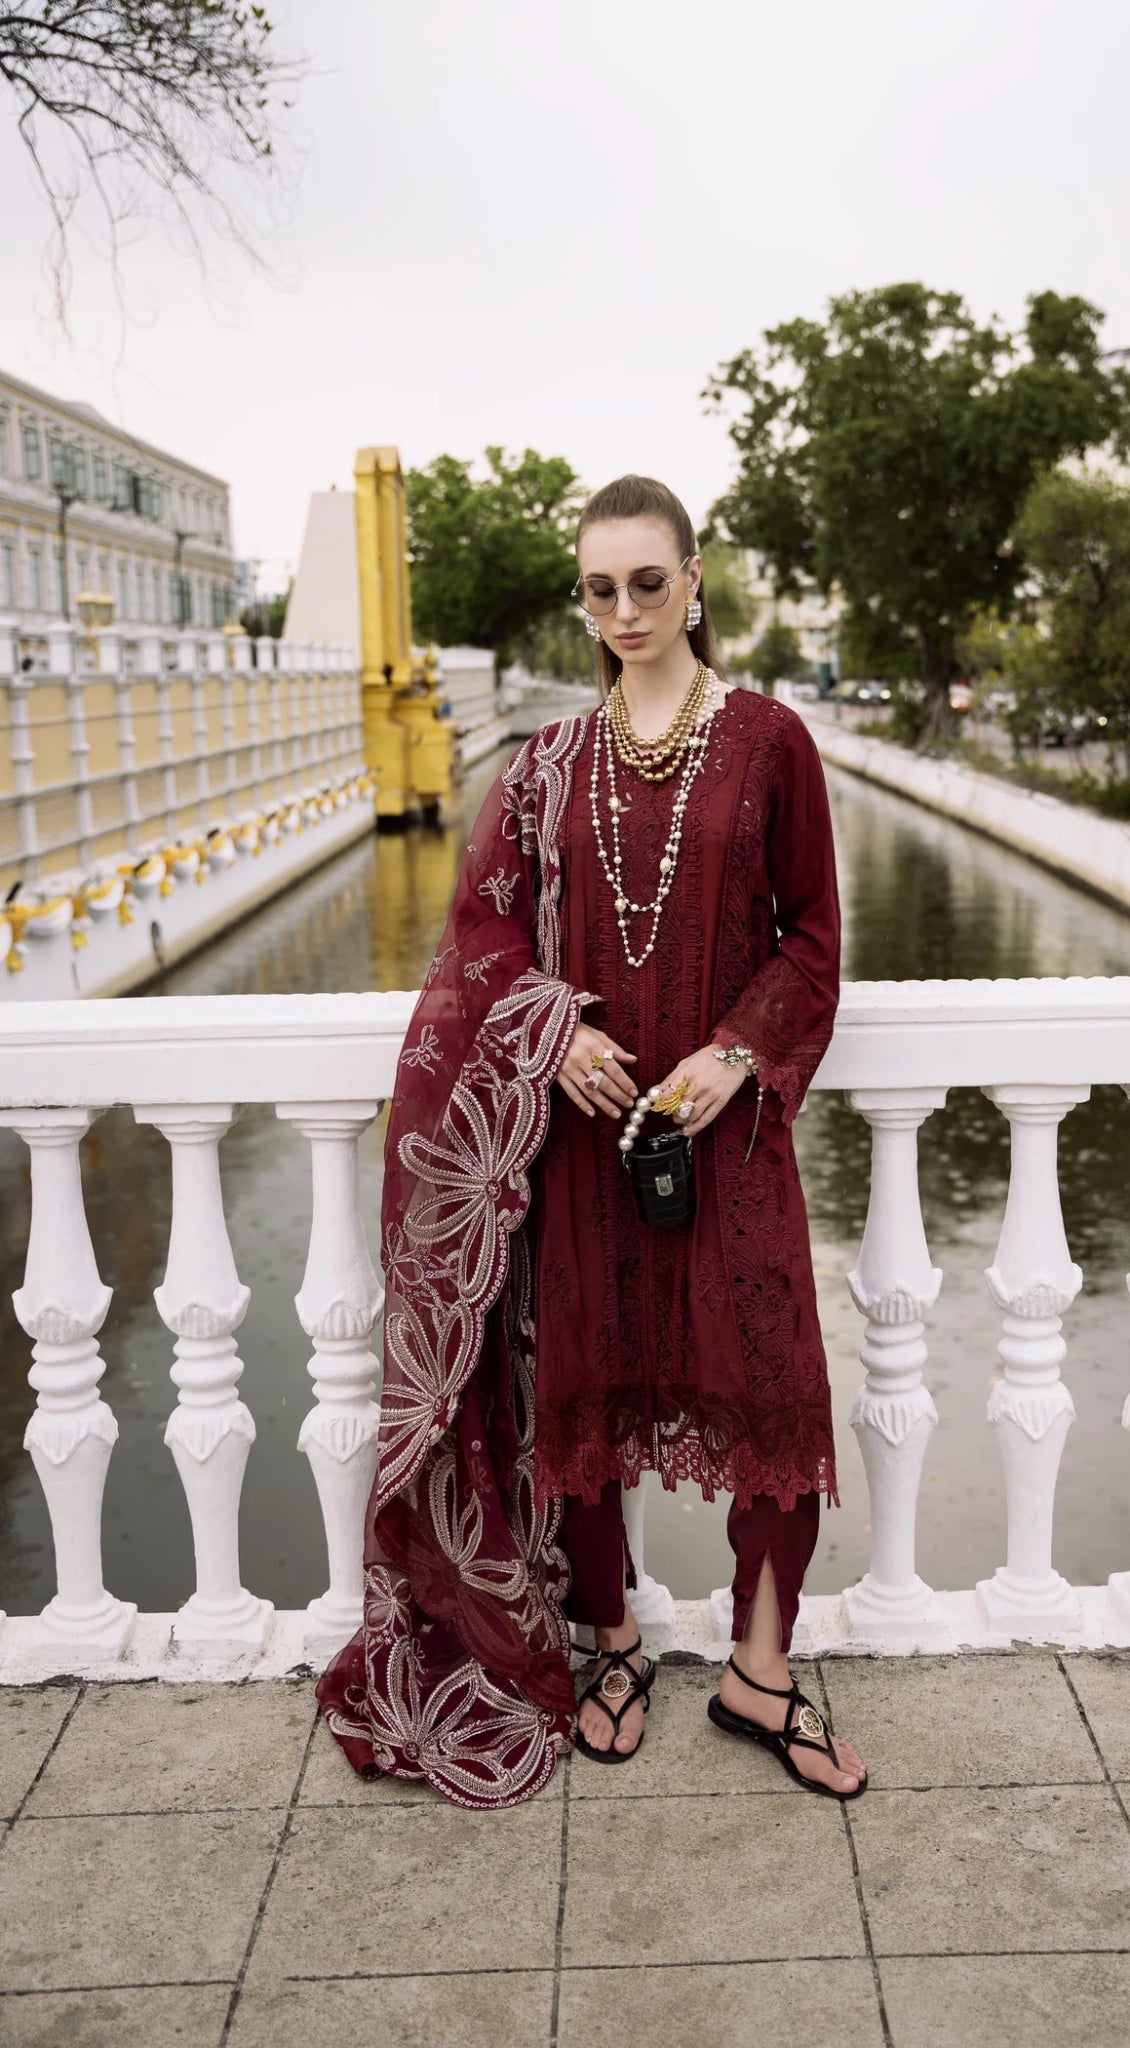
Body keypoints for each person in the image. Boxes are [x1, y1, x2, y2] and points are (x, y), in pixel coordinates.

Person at [316, 473, 866, 1809]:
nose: (623, 611)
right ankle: (611, 1644)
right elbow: (484, 933)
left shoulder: (771, 743)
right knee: (583, 1402)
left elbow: (810, 934)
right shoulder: (545, 764)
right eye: (599, 588)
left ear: (693, 582)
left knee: (774, 1397)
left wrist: (734, 1058)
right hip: (582, 1145)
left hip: (722, 1143)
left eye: (647, 583)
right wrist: (549, 1031)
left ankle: (758, 1668)